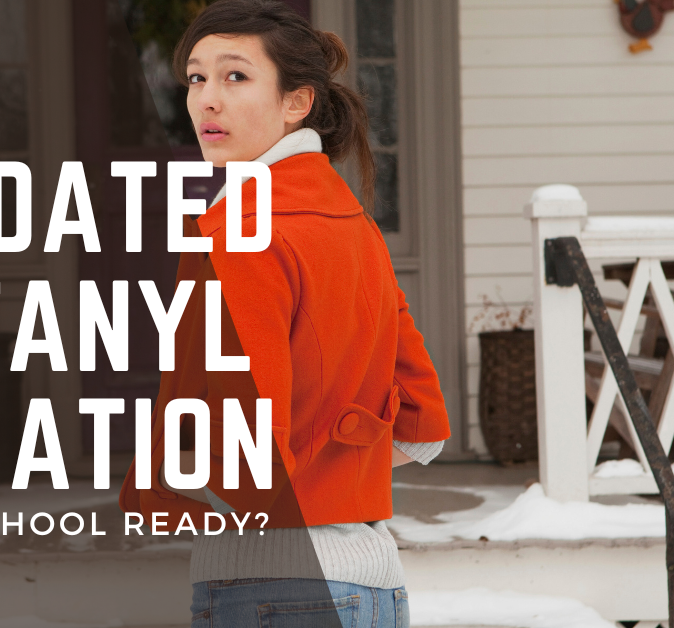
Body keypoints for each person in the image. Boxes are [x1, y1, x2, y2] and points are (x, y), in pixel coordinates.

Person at [117, 1, 452, 626]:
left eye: (235, 76)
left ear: (297, 103)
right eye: (196, 77)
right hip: (372, 586)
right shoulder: (354, 224)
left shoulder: (239, 232)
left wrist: (170, 473)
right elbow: (420, 427)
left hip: (268, 582)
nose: (206, 100)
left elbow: (241, 461)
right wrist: (331, 467)